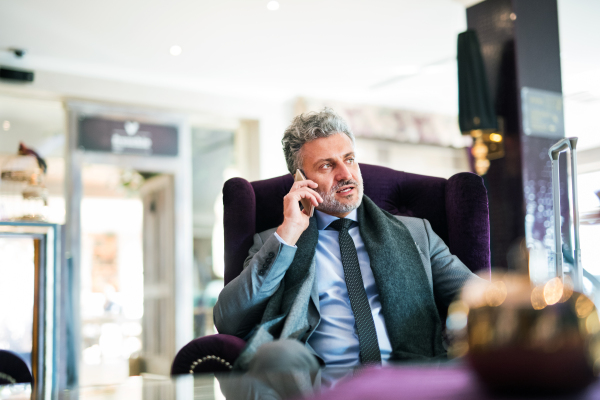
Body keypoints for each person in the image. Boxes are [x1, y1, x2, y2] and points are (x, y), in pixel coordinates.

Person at [214, 108, 479, 371]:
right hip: (319, 385)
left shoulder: (416, 233)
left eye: (349, 159)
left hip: (409, 379)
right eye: (327, 165)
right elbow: (229, 320)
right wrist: (288, 234)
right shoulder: (276, 242)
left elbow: (480, 298)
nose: (345, 174)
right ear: (301, 180)